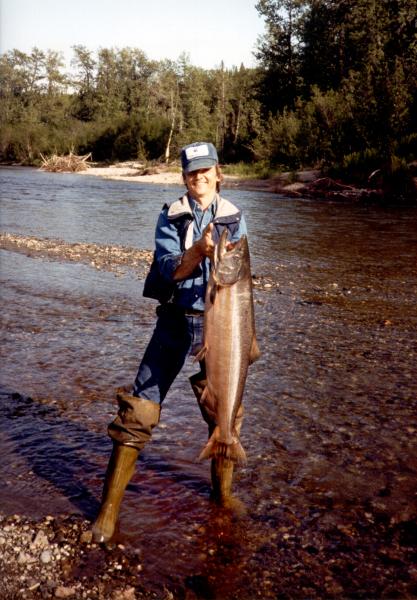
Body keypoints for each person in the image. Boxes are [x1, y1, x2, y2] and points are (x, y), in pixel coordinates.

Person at [92, 142, 248, 543]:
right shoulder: (171, 216)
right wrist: (199, 251)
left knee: (225, 413)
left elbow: (243, 284)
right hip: (176, 323)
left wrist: (248, 340)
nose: (200, 178)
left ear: (219, 173)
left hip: (220, 326)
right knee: (139, 409)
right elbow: (166, 273)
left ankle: (222, 498)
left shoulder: (235, 217)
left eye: (206, 171)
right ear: (184, 177)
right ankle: (108, 512)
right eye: (192, 172)